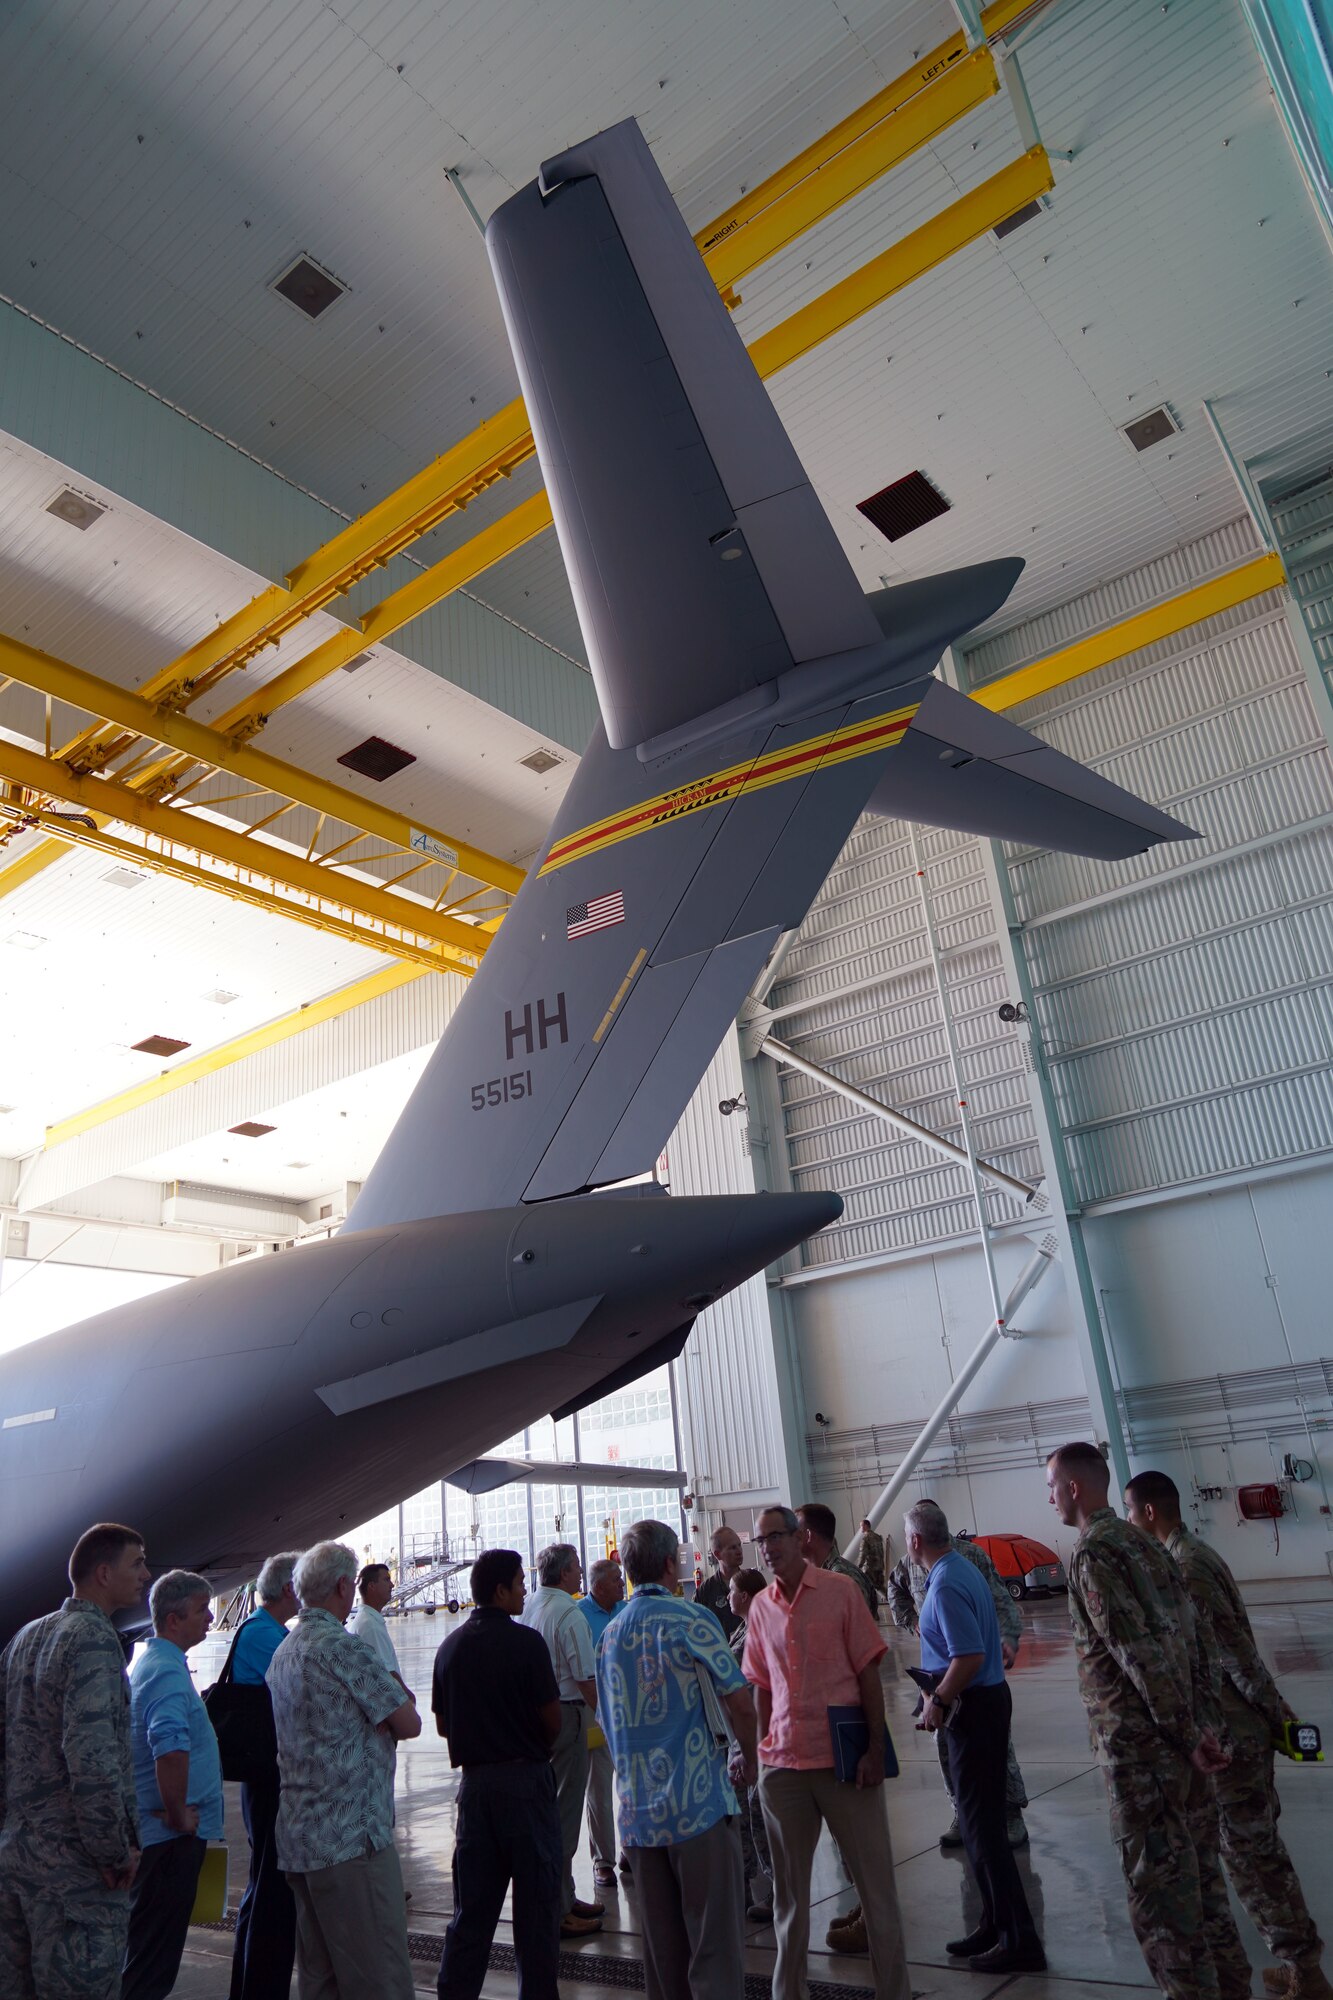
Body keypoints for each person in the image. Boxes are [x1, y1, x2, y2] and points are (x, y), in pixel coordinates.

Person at [1047, 1441, 1247, 2000]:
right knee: (1206, 1893)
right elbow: (1198, 1641)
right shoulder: (1150, 1544)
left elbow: (1134, 1651)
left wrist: (1186, 1735)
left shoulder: (1092, 1553)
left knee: (1162, 1907)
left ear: (1073, 1488)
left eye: (1050, 1487)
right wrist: (1203, 1727)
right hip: (1185, 1750)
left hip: (1142, 1757)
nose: (1049, 1500)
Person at [1125, 1470, 1331, 2000]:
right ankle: (1300, 1966)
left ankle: (1305, 1972)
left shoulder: (1187, 1570)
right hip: (1235, 1730)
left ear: (1149, 1512)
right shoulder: (1195, 1556)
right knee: (1253, 1853)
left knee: (1253, 1860)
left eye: (1130, 1510)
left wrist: (1277, 1716)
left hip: (1233, 1735)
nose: (1128, 1521)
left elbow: (1234, 1656)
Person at [744, 1505, 911, 2000]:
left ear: (800, 1539)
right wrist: (759, 1754)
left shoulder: (840, 1593)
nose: (768, 1548)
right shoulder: (760, 1608)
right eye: (761, 1541)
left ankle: (894, 1993)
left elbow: (867, 1674)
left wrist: (875, 1750)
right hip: (784, 1770)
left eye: (776, 1537)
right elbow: (761, 1687)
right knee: (789, 1902)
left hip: (845, 1766)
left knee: (877, 1894)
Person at [597, 1519, 757, 2000]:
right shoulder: (691, 1620)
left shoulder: (609, 1636)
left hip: (639, 1821)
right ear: (671, 1564)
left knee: (664, 1959)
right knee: (714, 1951)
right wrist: (750, 1760)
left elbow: (606, 1720)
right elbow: (739, 1700)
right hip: (698, 1808)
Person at [266, 1540, 421, 1999]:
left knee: (322, 1979)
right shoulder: (343, 1648)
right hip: (352, 1843)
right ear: (342, 1586)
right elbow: (408, 1722)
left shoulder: (284, 1652)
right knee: (380, 1978)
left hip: (300, 1839)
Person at [0, 1522, 147, 2000]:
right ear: (103, 1574)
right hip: (75, 1877)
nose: (145, 1574)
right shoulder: (93, 1640)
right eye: (137, 1563)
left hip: (18, 1860)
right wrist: (113, 1851)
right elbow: (92, 1759)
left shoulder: (27, 1637)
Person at [904, 1502, 1043, 1974]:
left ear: (914, 1542)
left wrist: (936, 1702)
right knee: (977, 1825)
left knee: (983, 1833)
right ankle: (993, 1922)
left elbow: (966, 1657)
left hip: (973, 1706)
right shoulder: (962, 1568)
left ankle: (1017, 1939)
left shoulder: (943, 1585)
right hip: (984, 1700)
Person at [432, 1549, 563, 2000]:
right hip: (525, 1785)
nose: (524, 1590)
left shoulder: (450, 1647)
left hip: (474, 1792)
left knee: (471, 1914)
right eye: (519, 1582)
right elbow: (553, 1719)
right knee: (537, 1914)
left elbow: (443, 1724)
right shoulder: (527, 1644)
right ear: (500, 1590)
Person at [887, 1511, 1029, 1848]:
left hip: (972, 1673)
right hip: (938, 1669)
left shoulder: (967, 1557)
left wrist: (1008, 1636)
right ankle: (962, 1811)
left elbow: (1000, 1597)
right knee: (947, 1750)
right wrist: (913, 1623)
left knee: (995, 1751)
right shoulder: (909, 1562)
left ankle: (1009, 1813)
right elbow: (895, 1591)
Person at [121, 1569, 224, 2000]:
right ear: (173, 1618)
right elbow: (169, 1747)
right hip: (170, 1839)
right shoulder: (165, 1671)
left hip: (161, 1835)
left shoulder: (155, 1662)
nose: (210, 1618)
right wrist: (180, 1813)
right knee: (153, 1959)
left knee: (146, 1950)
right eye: (202, 1609)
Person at [228, 1550, 302, 2000]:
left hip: (268, 1775)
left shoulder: (269, 1631)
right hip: (266, 1778)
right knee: (272, 1894)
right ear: (290, 1589)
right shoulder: (263, 1635)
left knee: (267, 1889)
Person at [520, 1543, 602, 1935]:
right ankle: (558, 1908)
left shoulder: (533, 1605)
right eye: (577, 1567)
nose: (581, 1572)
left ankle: (565, 1895)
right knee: (565, 1815)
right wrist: (608, 1721)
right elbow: (586, 1680)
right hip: (567, 1715)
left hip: (538, 1716)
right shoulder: (568, 1612)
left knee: (551, 1807)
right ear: (566, 1572)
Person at [726, 1566, 774, 1923]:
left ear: (743, 1596)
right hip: (740, 1738)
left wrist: (747, 1746)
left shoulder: (758, 1631)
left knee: (761, 1817)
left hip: (756, 1736)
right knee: (744, 1814)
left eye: (731, 1591)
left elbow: (752, 1692)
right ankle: (749, 1883)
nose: (727, 1596)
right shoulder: (744, 1628)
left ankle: (776, 1889)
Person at [576, 1558, 626, 1889]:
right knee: (599, 1790)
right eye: (616, 1580)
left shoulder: (625, 1609)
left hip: (629, 1709)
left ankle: (633, 1849)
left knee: (632, 1784)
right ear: (598, 1586)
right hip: (595, 1712)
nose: (622, 1584)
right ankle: (603, 1860)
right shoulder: (579, 1616)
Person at [796, 1502, 878, 1621]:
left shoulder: (844, 1579)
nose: (790, 1538)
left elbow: (855, 1635)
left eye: (796, 1532)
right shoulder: (810, 1577)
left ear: (808, 1535)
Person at [347, 1564, 411, 1697]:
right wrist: (409, 1698)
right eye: (386, 1580)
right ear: (372, 1586)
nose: (392, 1585)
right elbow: (388, 1675)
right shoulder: (370, 1626)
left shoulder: (367, 1619)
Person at [696, 1525, 745, 1642]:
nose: (739, 1551)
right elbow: (696, 1627)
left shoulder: (751, 1582)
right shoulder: (705, 1591)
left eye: (739, 1545)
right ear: (717, 1554)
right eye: (733, 1548)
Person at [854, 1519, 887, 1604]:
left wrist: (858, 1567)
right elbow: (881, 1552)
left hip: (869, 1568)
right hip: (879, 1566)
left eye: (861, 1526)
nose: (860, 1528)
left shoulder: (865, 1539)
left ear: (865, 1526)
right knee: (879, 1587)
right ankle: (892, 1600)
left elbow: (863, 1554)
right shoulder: (878, 1537)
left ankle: (870, 1610)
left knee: (865, 1588)